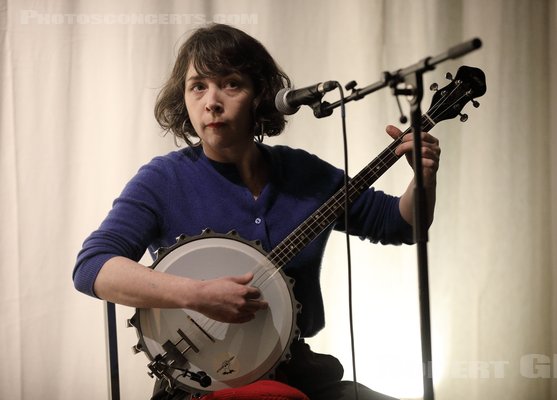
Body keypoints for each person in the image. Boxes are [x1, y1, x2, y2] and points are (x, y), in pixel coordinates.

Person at [73, 23, 441, 400]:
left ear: (260, 95)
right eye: (198, 86)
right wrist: (196, 294)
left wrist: (423, 179)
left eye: (230, 83)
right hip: (201, 386)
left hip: (298, 373)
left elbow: (399, 225)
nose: (211, 101)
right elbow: (92, 267)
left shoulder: (303, 173)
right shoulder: (164, 180)